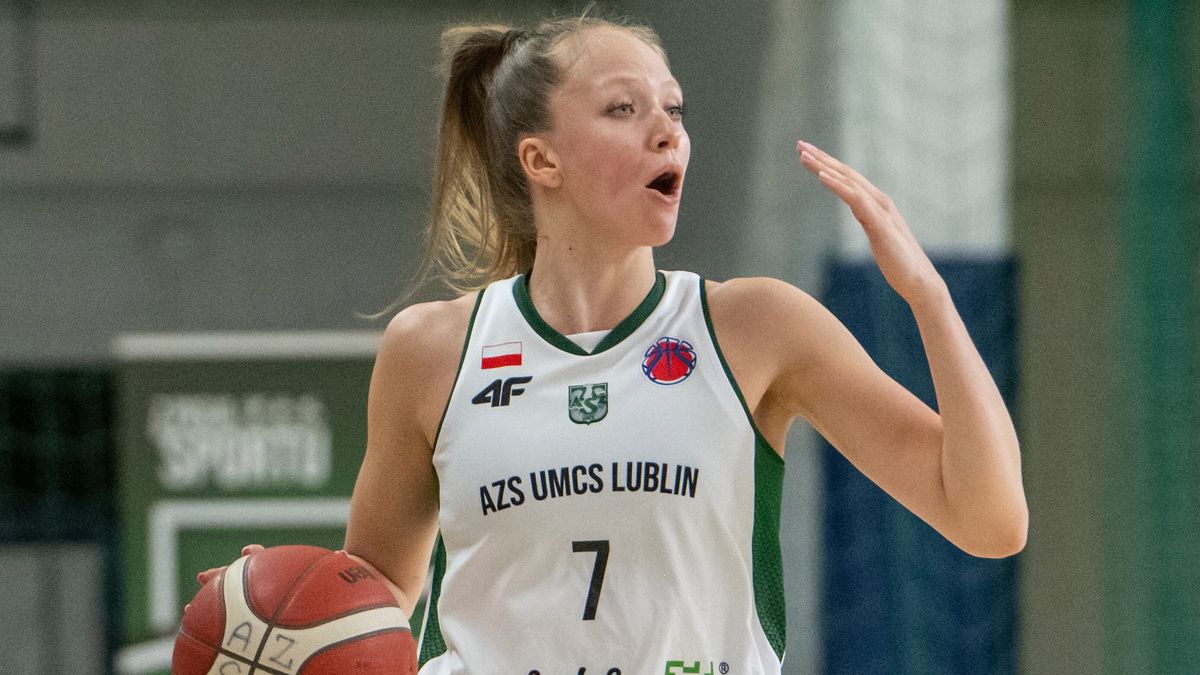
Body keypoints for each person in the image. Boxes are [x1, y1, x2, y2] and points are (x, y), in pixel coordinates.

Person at [201, 13, 1026, 674]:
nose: (667, 131)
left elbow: (989, 519)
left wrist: (930, 297)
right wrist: (282, 606)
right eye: (624, 109)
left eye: (675, 110)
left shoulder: (755, 327)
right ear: (541, 159)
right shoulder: (432, 350)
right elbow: (375, 590)